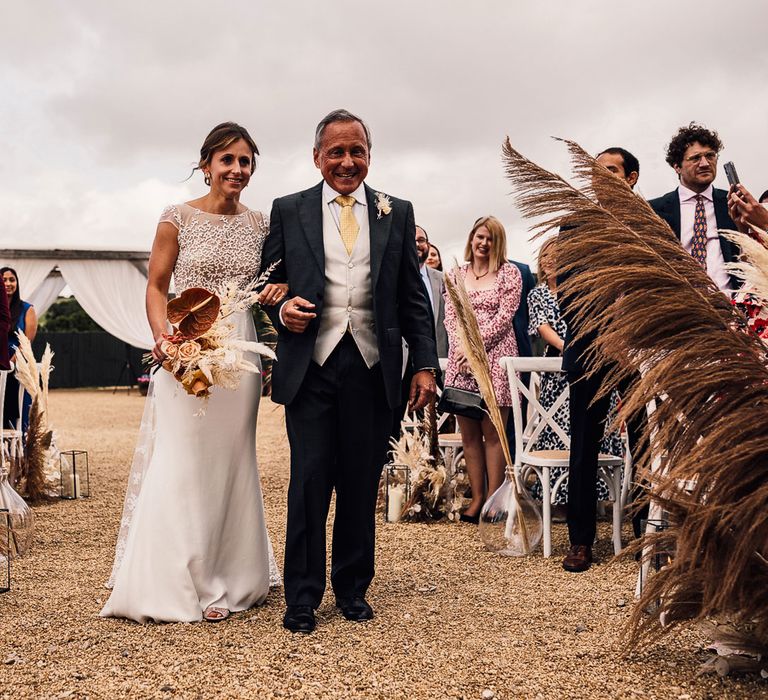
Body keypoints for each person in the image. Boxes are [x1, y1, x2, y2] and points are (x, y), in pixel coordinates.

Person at [261, 109, 438, 634]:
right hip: (310, 368)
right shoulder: (288, 210)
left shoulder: (396, 212)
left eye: (356, 151)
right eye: (335, 152)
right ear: (317, 157)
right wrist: (281, 309)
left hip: (372, 367)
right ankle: (302, 597)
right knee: (310, 481)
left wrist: (424, 364)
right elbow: (267, 284)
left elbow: (412, 298)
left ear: (369, 155)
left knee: (361, 483)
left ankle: (353, 589)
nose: (346, 161)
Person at [101, 122, 286, 624]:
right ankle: (181, 578)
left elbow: (281, 276)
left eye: (245, 161)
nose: (237, 170)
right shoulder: (175, 218)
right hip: (186, 344)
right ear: (206, 166)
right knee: (183, 456)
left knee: (231, 458)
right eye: (227, 160)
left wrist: (277, 290)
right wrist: (165, 340)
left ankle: (232, 575)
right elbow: (157, 286)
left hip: (240, 353)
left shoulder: (261, 225)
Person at [559, 146, 646, 573]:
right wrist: (602, 332)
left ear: (630, 178)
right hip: (591, 348)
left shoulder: (648, 220)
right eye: (596, 171)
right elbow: (568, 290)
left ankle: (647, 532)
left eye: (610, 170)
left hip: (638, 350)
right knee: (584, 447)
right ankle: (580, 541)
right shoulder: (573, 221)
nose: (601, 176)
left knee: (645, 442)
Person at [527, 237, 624, 518]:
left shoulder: (581, 285)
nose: (551, 259)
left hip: (593, 356)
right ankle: (558, 498)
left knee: (593, 431)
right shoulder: (539, 293)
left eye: (557, 254)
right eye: (546, 255)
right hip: (562, 363)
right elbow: (542, 327)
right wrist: (568, 346)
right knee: (560, 432)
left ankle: (596, 496)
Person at [443, 216, 522, 523]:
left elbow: (504, 319)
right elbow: (451, 317)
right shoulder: (456, 274)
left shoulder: (509, 274)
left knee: (493, 433)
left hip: (494, 358)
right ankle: (476, 498)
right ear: (471, 238)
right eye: (479, 236)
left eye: (490, 238)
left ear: (497, 242)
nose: (483, 243)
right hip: (461, 359)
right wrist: (462, 349)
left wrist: (476, 348)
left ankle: (493, 500)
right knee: (469, 434)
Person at [649, 123, 738, 293]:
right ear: (677, 166)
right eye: (695, 158)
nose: (705, 163)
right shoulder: (654, 209)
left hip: (733, 307)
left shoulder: (733, 202)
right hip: (679, 308)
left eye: (710, 156)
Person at [390, 225, 448, 442]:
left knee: (435, 425)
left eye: (421, 240)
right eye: (411, 239)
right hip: (398, 362)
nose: (416, 244)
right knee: (395, 424)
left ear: (429, 244)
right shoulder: (392, 278)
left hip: (436, 361)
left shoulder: (444, 280)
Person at [1, 267, 38, 432]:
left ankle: (20, 451)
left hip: (17, 366)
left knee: (18, 413)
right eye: (4, 279)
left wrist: (9, 363)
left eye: (12, 279)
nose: (8, 283)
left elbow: (26, 343)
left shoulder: (27, 309)